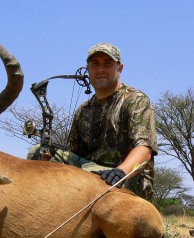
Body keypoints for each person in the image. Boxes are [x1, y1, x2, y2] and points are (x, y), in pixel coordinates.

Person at [28, 43, 157, 200]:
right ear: (88, 69)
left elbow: (144, 149)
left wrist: (120, 172)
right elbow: (74, 154)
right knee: (38, 151)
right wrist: (47, 161)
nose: (100, 69)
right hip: (91, 174)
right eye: (95, 64)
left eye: (107, 63)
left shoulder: (136, 100)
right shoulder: (83, 110)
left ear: (119, 68)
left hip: (126, 178)